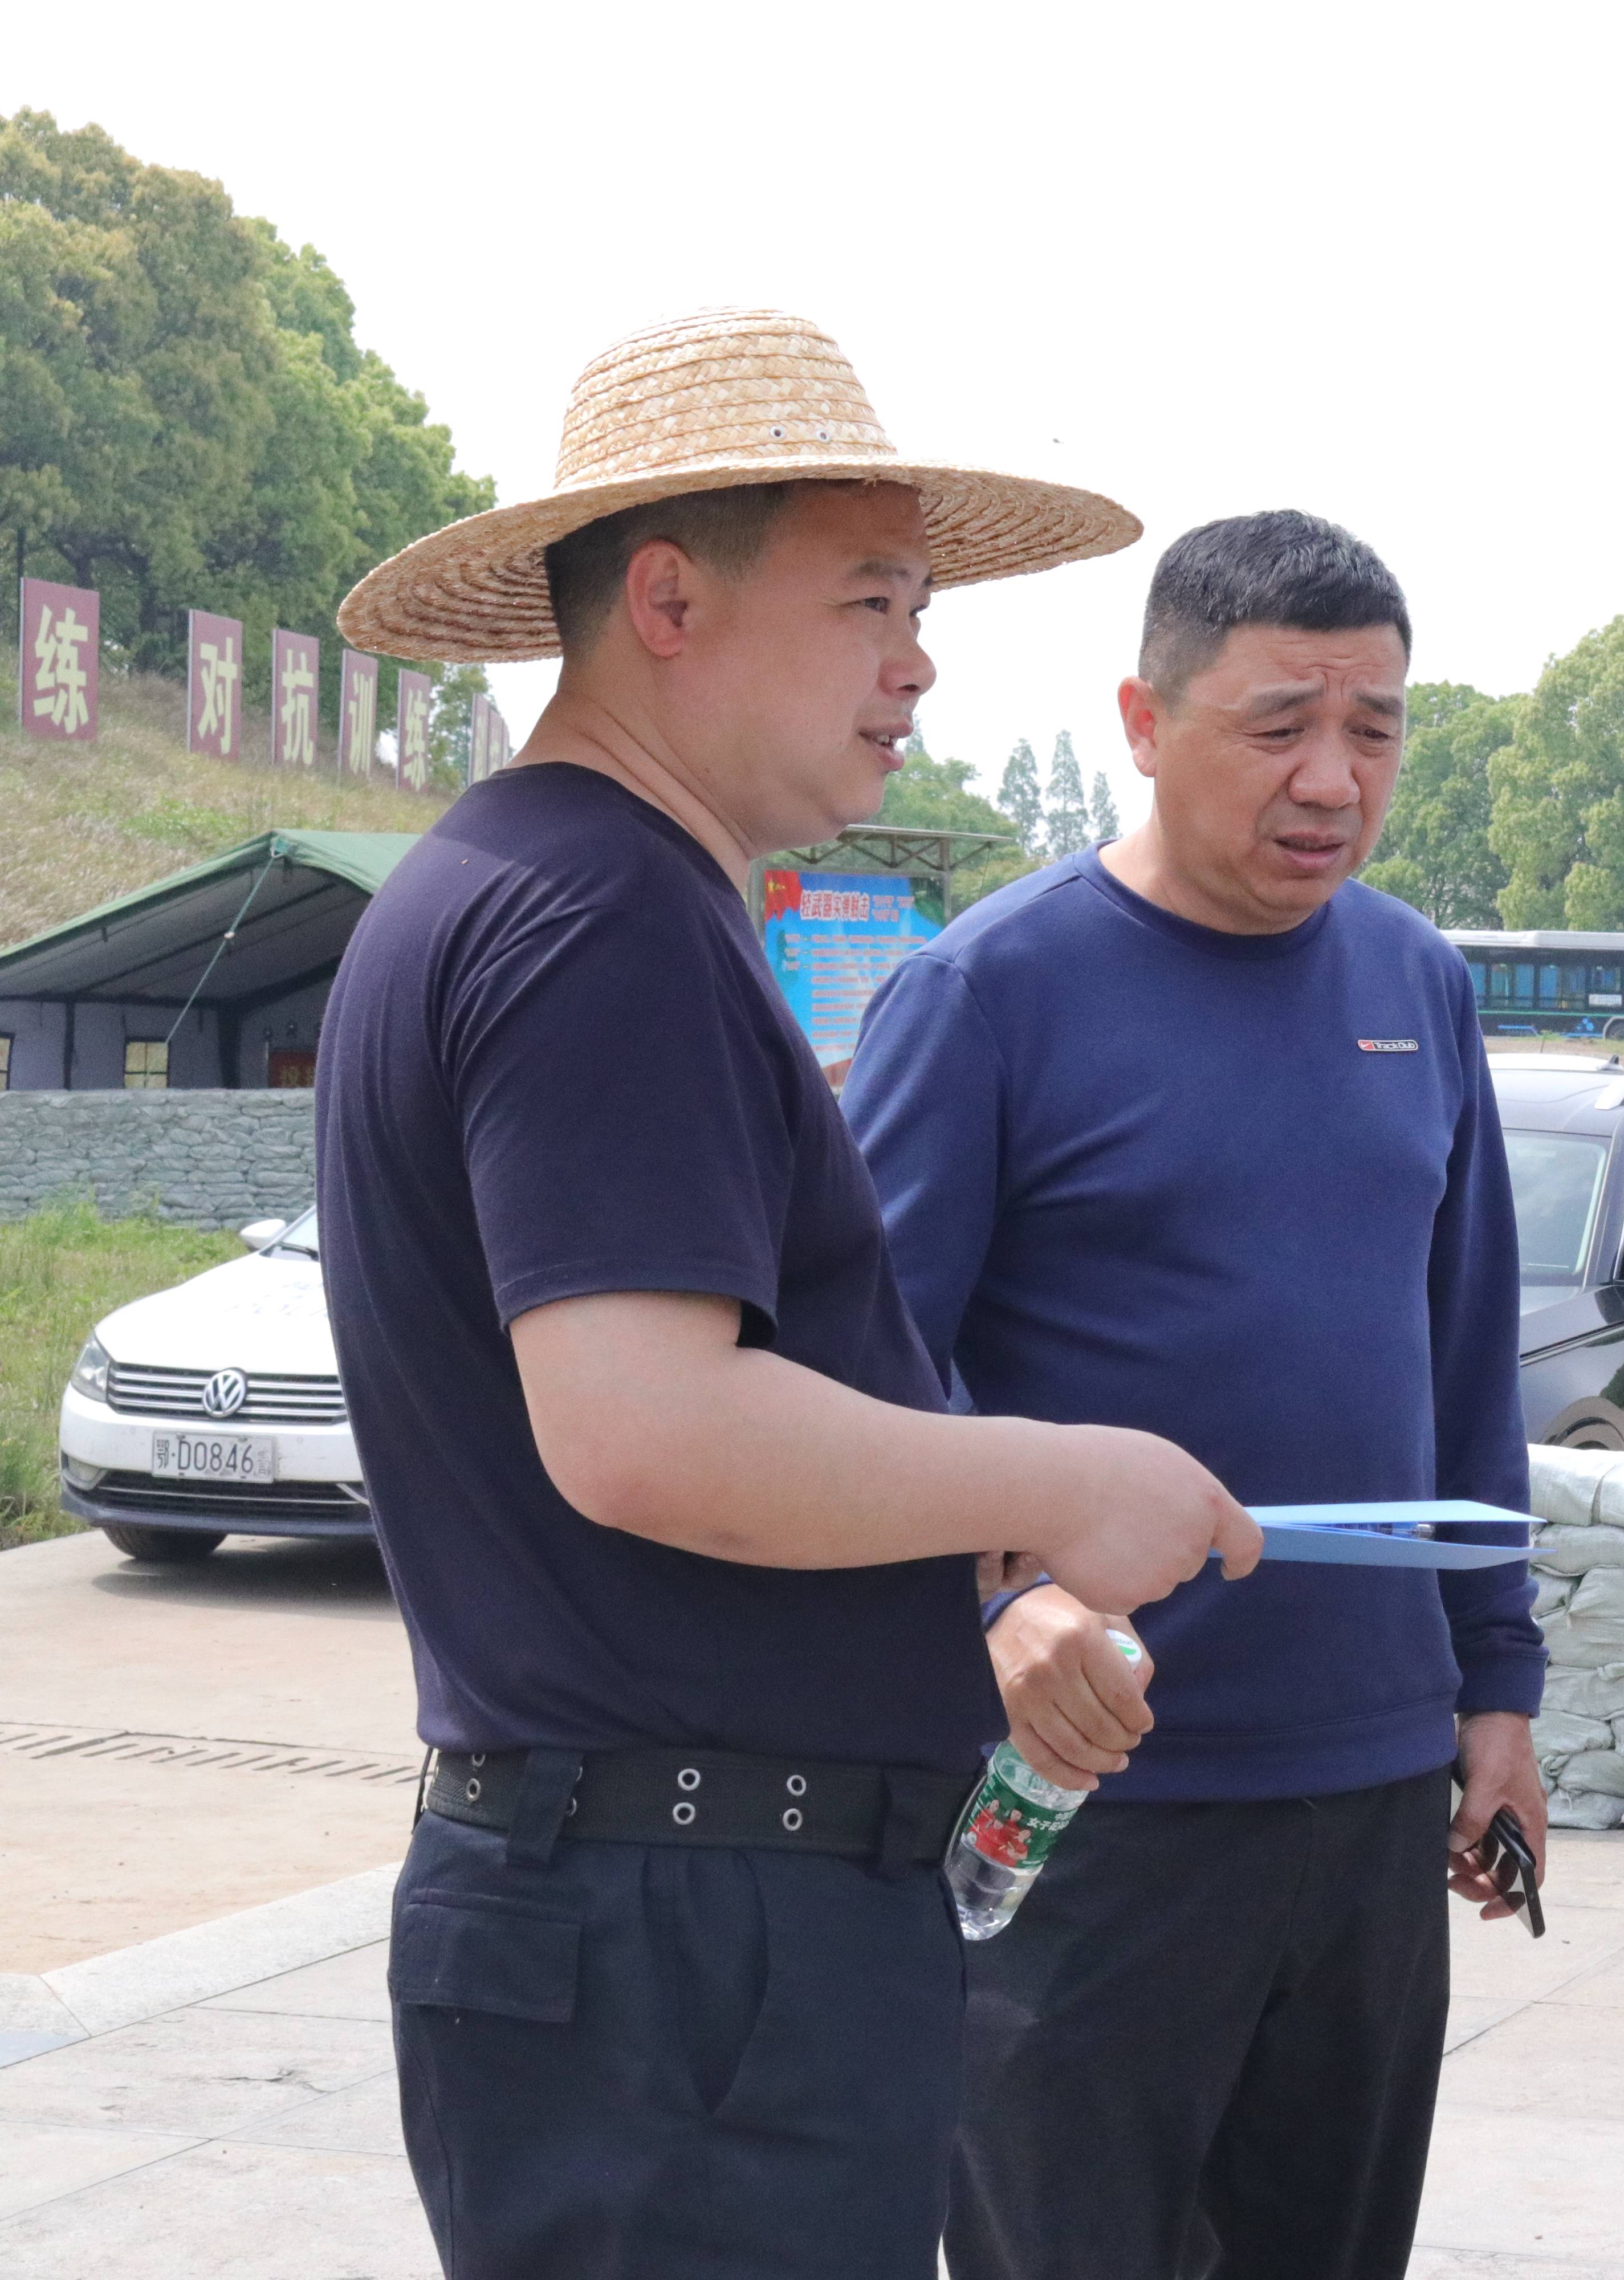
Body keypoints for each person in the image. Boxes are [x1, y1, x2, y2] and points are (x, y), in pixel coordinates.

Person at [316, 309, 1260, 2280]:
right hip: (690, 1942)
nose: (917, 663)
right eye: (868, 602)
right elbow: (644, 1430)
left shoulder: (527, 882)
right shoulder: (601, 915)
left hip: (657, 1920)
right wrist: (1055, 1479)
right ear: (668, 600)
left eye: (921, 608)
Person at [842, 509, 1545, 2280]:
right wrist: (993, 1601)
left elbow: (1465, 1364)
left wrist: (1497, 1690)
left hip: (1370, 1790)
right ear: (1145, 723)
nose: (1333, 779)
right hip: (1086, 1803)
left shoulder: (1417, 984)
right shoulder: (987, 995)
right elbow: (864, 1378)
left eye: (1374, 729)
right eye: (1279, 724)